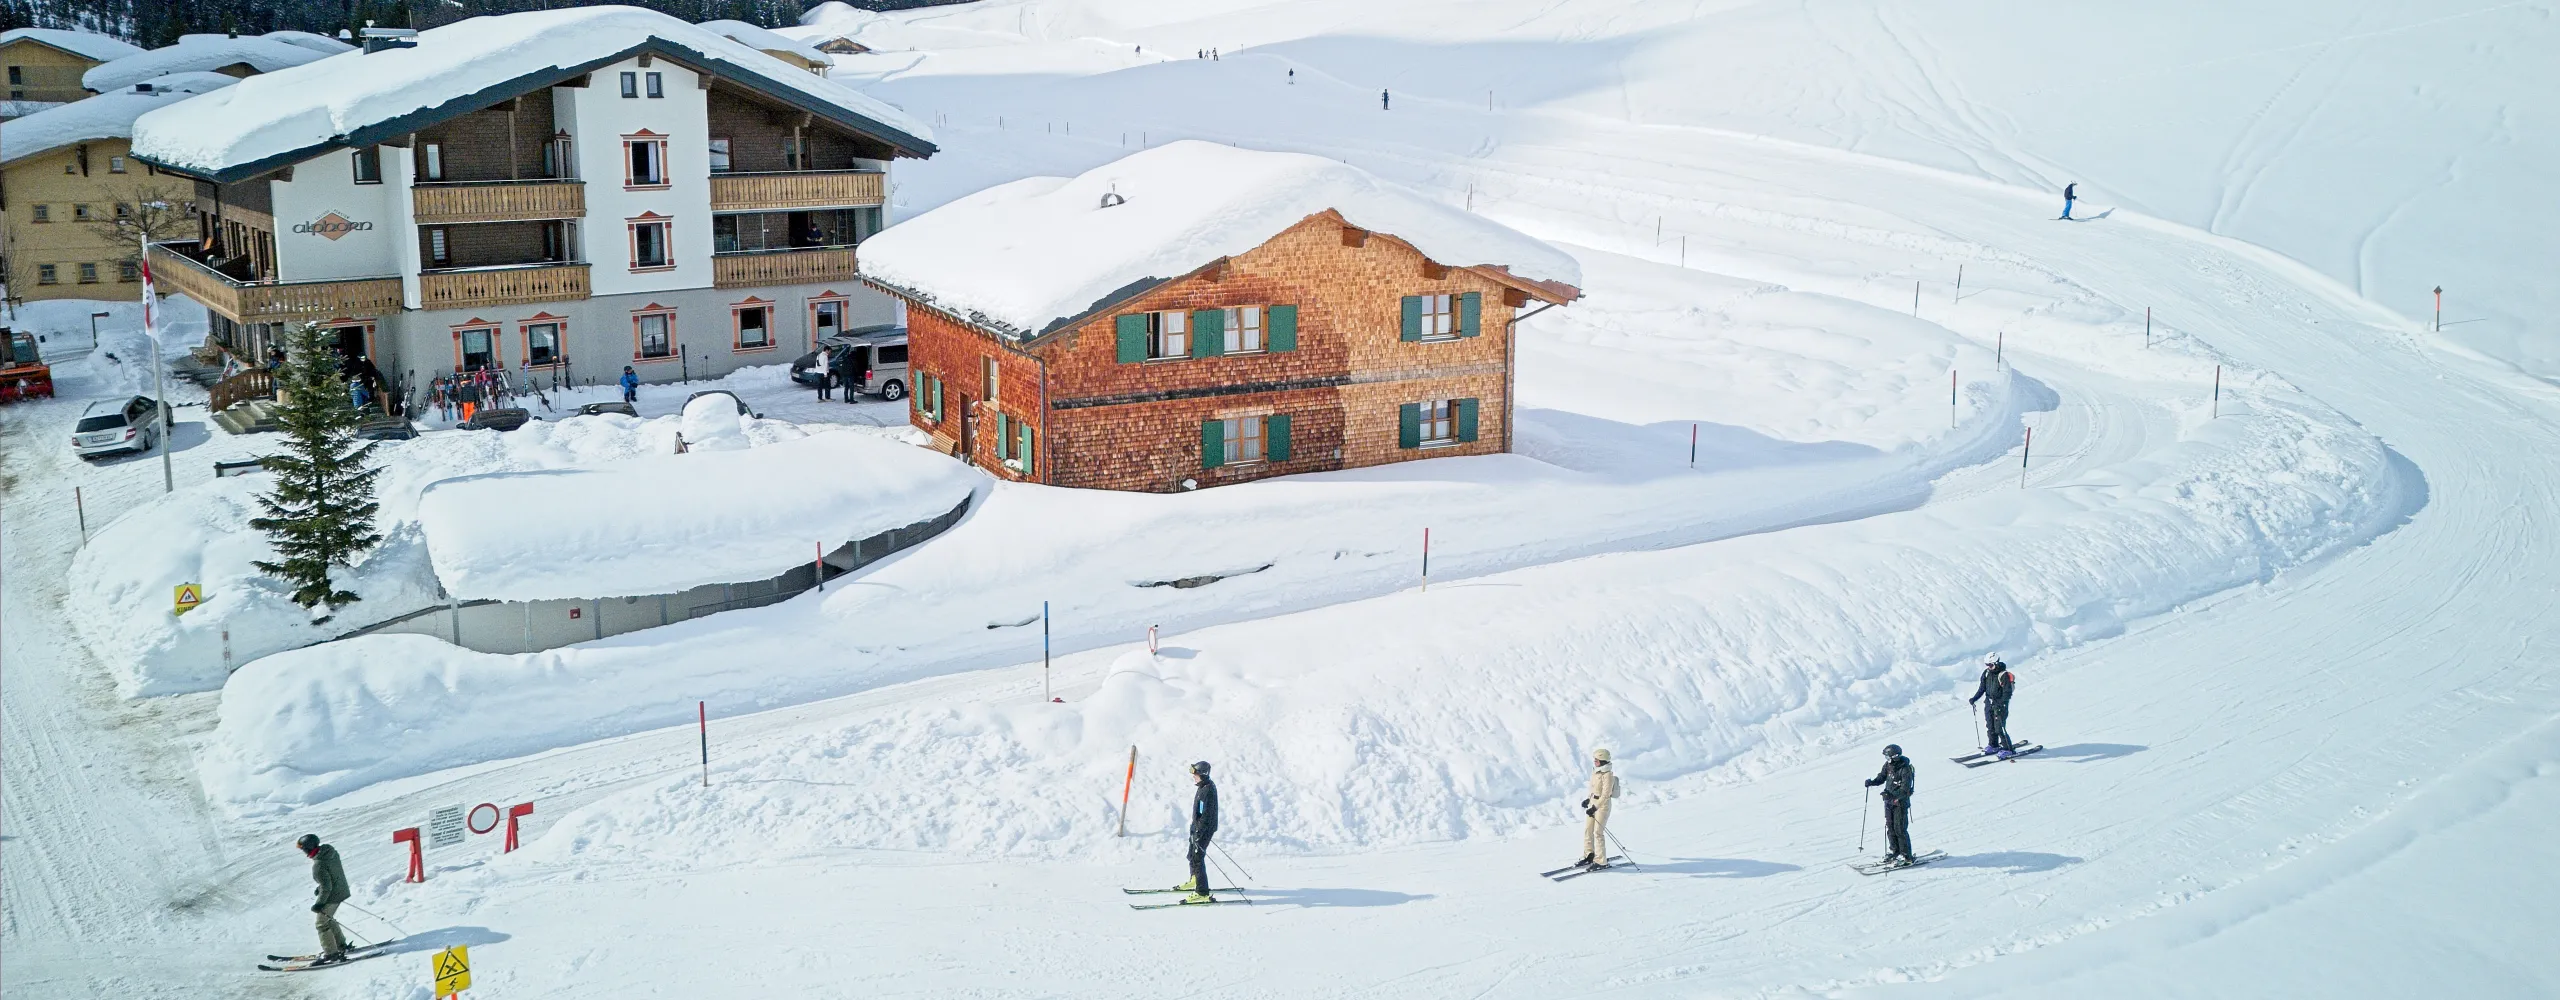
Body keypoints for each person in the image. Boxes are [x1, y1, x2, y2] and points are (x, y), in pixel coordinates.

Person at [296, 833, 352, 963]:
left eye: (303, 849)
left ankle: (331, 954)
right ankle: (341, 945)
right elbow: (332, 874)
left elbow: (327, 887)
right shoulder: (330, 853)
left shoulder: (319, 864)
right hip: (342, 890)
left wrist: (319, 904)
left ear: (307, 848)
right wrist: (320, 888)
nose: (303, 852)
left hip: (332, 895)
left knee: (321, 924)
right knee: (328, 919)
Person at [1863, 745, 1917, 864]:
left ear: (1894, 756)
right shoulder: (1888, 765)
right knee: (1890, 828)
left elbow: (1905, 789)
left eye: (1887, 756)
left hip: (1900, 803)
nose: (1886, 758)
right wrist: (1872, 782)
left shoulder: (1905, 769)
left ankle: (1907, 856)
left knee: (1900, 829)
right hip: (1888, 802)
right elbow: (1882, 777)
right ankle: (1895, 851)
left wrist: (1892, 796)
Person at [1178, 761, 1220, 902]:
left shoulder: (1207, 789)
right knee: (1192, 854)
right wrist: (1194, 828)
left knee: (1198, 858)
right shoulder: (1203, 787)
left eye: (1195, 773)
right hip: (1198, 828)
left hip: (1204, 829)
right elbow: (1200, 811)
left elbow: (1206, 815)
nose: (1193, 776)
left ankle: (1202, 892)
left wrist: (1199, 832)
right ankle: (1195, 879)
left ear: (1203, 774)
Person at [1575, 747, 1619, 869]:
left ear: (1603, 761)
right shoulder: (1595, 771)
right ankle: (1589, 855)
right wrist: (1588, 800)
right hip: (1593, 803)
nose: (1595, 762)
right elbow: (1593, 789)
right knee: (1588, 830)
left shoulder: (1608, 775)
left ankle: (1601, 861)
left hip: (1602, 806)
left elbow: (1605, 795)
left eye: (1597, 760)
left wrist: (1595, 807)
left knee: (1598, 833)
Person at [1970, 654, 2017, 753]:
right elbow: (1982, 688)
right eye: (1987, 665)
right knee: (1990, 726)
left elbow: (2007, 692)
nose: (1988, 667)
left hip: (2000, 704)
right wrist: (1974, 698)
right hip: (1989, 703)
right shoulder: (1987, 673)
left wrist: (2000, 704)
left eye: (1990, 665)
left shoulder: (2003, 675)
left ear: (1996, 663)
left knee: (1999, 728)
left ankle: (2008, 749)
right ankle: (1993, 745)